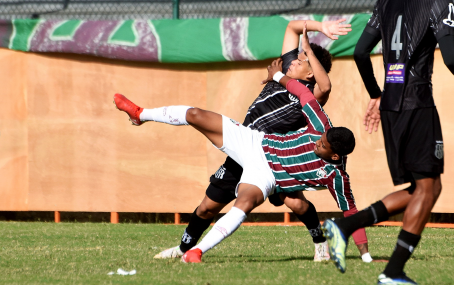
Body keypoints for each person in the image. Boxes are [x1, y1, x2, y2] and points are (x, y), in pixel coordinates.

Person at [113, 44, 362, 263]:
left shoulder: (312, 99)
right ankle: (140, 115)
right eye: (295, 57)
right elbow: (293, 29)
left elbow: (324, 84)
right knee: (205, 206)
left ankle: (318, 244)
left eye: (302, 60)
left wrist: (365, 253)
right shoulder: (279, 80)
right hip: (250, 144)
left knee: (293, 203)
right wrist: (300, 44)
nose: (293, 60)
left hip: (277, 167)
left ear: (311, 72)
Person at [321, 0, 454, 284]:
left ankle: (345, 227)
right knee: (428, 189)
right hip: (417, 103)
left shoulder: (385, 2)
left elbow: (360, 52)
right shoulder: (440, 3)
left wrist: (375, 93)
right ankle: (392, 272)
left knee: (423, 187)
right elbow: (452, 58)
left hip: (391, 105)